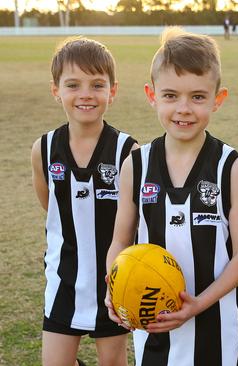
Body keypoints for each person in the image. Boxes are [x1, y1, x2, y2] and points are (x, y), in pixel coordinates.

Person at [105, 27, 238, 365]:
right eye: (170, 95)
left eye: (198, 97)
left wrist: (199, 304)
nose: (183, 108)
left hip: (216, 330)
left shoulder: (230, 167)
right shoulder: (136, 164)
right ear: (151, 95)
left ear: (218, 99)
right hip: (152, 328)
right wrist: (114, 285)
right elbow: (119, 242)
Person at [30, 36, 138, 366]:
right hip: (64, 282)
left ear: (113, 91)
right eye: (73, 85)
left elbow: (131, 221)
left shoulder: (128, 152)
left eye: (97, 84)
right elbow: (53, 208)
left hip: (113, 283)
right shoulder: (44, 150)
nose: (86, 94)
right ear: (56, 90)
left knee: (113, 362)